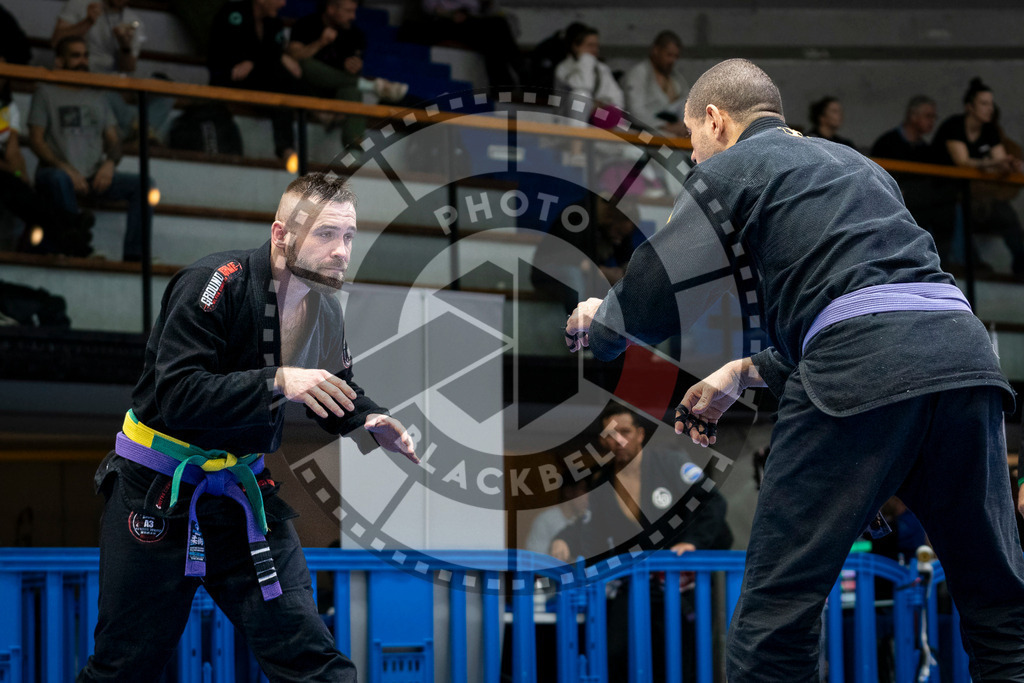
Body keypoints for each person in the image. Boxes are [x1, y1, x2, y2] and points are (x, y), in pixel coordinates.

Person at [565, 58, 1024, 681]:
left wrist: (604, 323)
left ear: (715, 119)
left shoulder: (730, 167)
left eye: (692, 141)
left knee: (774, 622)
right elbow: (879, 296)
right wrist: (746, 370)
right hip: (967, 364)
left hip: (860, 370)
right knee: (1000, 607)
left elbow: (658, 287)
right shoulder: (861, 166)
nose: (693, 158)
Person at [77, 172, 417, 682]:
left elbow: (332, 390)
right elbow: (181, 395)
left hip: (242, 499)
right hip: (155, 495)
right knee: (124, 665)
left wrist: (368, 416)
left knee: (310, 655)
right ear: (281, 235)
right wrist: (278, 379)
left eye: (348, 236)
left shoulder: (324, 308)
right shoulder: (214, 283)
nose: (342, 250)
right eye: (326, 234)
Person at [550, 405, 732, 682]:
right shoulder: (603, 485)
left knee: (685, 660)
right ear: (602, 441)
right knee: (616, 654)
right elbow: (590, 531)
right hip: (637, 582)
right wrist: (563, 539)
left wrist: (694, 543)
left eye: (624, 432)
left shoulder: (670, 462)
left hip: (684, 581)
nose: (618, 440)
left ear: (639, 434)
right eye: (610, 435)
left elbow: (713, 502)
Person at [28, 36, 153, 262]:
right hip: (56, 173)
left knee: (145, 185)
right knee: (58, 179)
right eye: (75, 56)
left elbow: (114, 141)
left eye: (85, 55)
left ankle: (135, 255)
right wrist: (65, 168)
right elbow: (36, 140)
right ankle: (78, 248)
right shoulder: (45, 92)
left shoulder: (98, 96)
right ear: (59, 61)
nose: (82, 61)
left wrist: (109, 164)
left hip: (94, 175)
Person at [0, 52, 93, 255]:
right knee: (18, 191)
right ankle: (71, 226)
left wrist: (19, 174)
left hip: (5, 172)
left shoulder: (7, 108)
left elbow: (13, 152)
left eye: (4, 72)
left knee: (22, 190)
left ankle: (69, 234)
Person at [933, 77, 1024, 278]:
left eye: (991, 104)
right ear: (969, 107)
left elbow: (1000, 160)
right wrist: (991, 164)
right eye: (984, 104)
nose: (989, 108)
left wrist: (1009, 164)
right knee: (954, 217)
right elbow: (962, 162)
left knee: (1005, 214)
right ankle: (956, 267)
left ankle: (1021, 265)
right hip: (943, 193)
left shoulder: (989, 130)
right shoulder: (954, 126)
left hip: (973, 198)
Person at [286, 0, 409, 149]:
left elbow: (352, 66)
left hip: (337, 91)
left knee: (351, 90)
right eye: (348, 11)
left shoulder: (355, 34)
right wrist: (320, 43)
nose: (353, 16)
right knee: (304, 65)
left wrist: (354, 66)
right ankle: (370, 86)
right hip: (306, 87)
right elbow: (294, 59)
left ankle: (354, 154)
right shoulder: (306, 24)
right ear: (331, 8)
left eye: (354, 11)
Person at [51, 0, 174, 144]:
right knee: (103, 90)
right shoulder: (80, 4)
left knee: (167, 90)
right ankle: (140, 131)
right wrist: (87, 22)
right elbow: (56, 42)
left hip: (119, 83)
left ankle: (138, 130)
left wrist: (125, 45)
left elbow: (128, 67)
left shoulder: (133, 21)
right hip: (88, 79)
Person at [207, 0, 310, 163]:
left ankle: (286, 148)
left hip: (264, 80)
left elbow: (272, 53)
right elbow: (221, 51)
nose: (283, 4)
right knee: (280, 79)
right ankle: (286, 147)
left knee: (282, 83)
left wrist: (256, 61)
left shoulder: (274, 22)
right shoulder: (232, 13)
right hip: (229, 78)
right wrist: (261, 59)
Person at [870, 95, 957, 262]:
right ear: (913, 116)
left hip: (923, 208)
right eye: (928, 116)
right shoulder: (887, 143)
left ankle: (941, 264)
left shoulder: (927, 150)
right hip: (894, 203)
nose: (932, 121)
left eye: (934, 117)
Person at [554, 24, 624, 127]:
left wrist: (601, 104)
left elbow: (617, 98)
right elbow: (584, 86)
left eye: (597, 46)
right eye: (590, 45)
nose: (595, 50)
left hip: (597, 116)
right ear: (576, 46)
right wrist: (586, 60)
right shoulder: (564, 68)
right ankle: (576, 139)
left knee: (621, 126)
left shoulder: (601, 68)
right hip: (567, 118)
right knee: (581, 95)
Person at [622, 30, 689, 137]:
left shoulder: (677, 78)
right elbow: (635, 111)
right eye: (669, 55)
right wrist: (664, 126)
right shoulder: (638, 74)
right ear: (656, 50)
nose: (672, 60)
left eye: (675, 57)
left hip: (676, 130)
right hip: (642, 132)